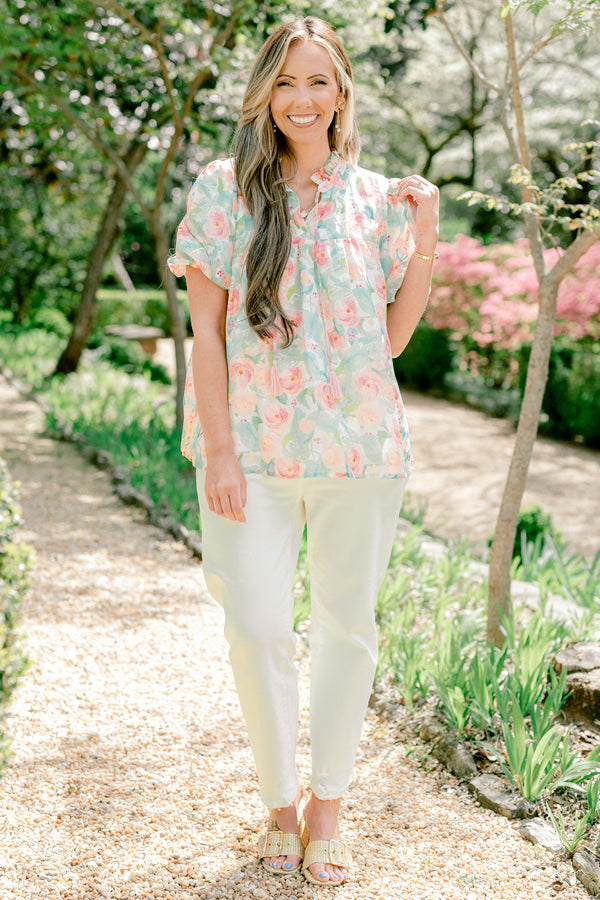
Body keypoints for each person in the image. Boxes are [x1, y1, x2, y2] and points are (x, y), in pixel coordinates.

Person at [168, 15, 438, 887]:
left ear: (342, 92)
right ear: (263, 94)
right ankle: (277, 804)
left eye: (318, 81)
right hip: (249, 452)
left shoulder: (377, 200)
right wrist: (217, 449)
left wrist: (426, 233)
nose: (302, 99)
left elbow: (389, 342)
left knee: (346, 630)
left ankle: (326, 809)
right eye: (286, 82)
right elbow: (207, 335)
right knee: (255, 626)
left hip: (360, 451)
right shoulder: (223, 191)